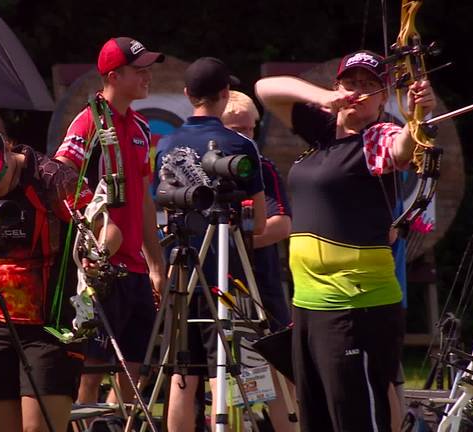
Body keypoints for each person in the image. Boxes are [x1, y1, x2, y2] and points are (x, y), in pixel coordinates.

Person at [255, 49, 436, 431]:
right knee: (317, 414)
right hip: (308, 304)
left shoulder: (378, 136)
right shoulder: (321, 131)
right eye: (350, 83)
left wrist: (418, 116)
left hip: (356, 305)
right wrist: (323, 99)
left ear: (384, 98)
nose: (358, 92)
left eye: (369, 86)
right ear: (336, 87)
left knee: (356, 416)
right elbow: (265, 88)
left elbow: (402, 148)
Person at [0, 122, 121, 432]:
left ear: (7, 150)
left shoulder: (53, 178)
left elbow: (107, 227)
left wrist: (98, 253)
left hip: (52, 326)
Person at [152, 58, 266, 432]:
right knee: (226, 371)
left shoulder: (165, 144)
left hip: (181, 270)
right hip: (227, 275)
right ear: (225, 95)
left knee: (183, 373)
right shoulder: (241, 145)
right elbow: (259, 222)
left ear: (187, 95)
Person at [54, 36, 167, 405]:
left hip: (135, 268)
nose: (148, 75)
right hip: (100, 269)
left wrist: (155, 264)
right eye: (140, 69)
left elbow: (145, 201)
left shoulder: (141, 127)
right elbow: (59, 178)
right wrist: (93, 240)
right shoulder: (88, 120)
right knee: (92, 367)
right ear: (114, 76)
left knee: (134, 370)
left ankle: (117, 425)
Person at [221, 90, 295, 432]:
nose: (244, 138)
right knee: (223, 375)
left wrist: (242, 240)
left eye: (250, 130)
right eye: (235, 129)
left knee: (278, 370)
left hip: (261, 286)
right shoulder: (207, 168)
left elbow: (282, 223)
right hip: (220, 287)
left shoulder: (262, 167)